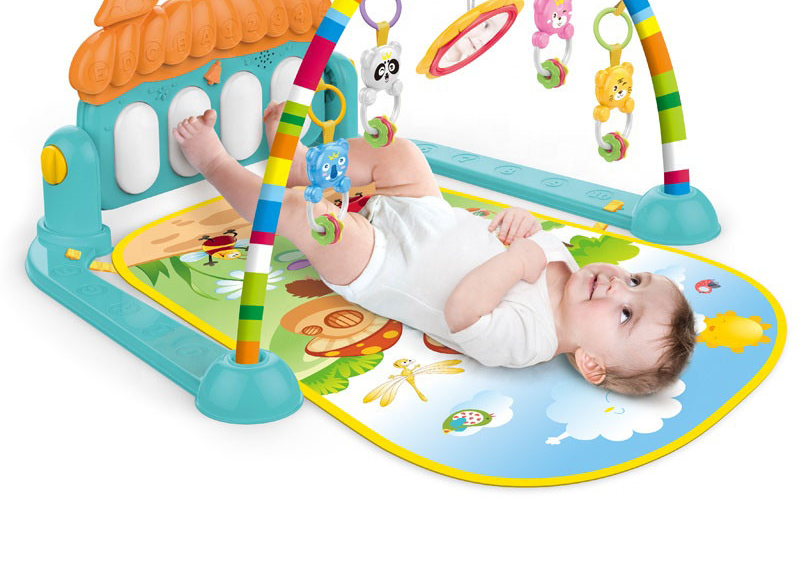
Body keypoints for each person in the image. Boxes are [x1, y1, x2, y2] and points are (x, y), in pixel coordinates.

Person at [173, 102, 695, 395]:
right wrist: (523, 224)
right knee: (401, 154)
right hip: (425, 214)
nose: (618, 286)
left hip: (380, 262)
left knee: (303, 215)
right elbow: (507, 232)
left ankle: (215, 164)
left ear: (590, 364)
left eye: (625, 314)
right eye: (636, 280)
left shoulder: (529, 341)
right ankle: (307, 164)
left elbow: (463, 311)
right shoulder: (570, 267)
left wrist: (520, 258)